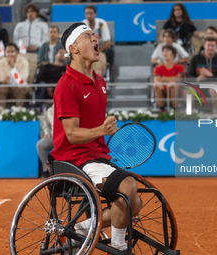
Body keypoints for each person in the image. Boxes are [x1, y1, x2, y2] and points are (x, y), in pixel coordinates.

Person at [51, 22, 142, 251]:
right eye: (88, 36)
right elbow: (71, 135)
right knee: (128, 187)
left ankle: (80, 229)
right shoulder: (67, 85)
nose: (95, 39)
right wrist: (102, 130)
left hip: (97, 156)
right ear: (74, 48)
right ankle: (120, 247)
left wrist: (102, 130)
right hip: (75, 159)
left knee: (135, 202)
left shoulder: (99, 82)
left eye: (95, 35)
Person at [0, 42, 29, 113]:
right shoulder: (0, 63)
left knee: (20, 87)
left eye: (12, 52)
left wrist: (13, 67)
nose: (10, 54)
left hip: (20, 86)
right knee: (3, 87)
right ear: (5, 53)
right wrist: (4, 80)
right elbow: (2, 79)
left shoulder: (24, 62)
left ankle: (19, 109)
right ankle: (1, 109)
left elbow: (23, 79)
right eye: (8, 52)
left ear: (17, 52)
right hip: (7, 86)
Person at [82, 5, 114, 75]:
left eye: (90, 13)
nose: (88, 16)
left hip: (101, 49)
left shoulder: (101, 24)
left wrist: (97, 51)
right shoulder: (82, 25)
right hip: (88, 49)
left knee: (110, 51)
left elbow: (107, 42)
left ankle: (109, 74)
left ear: (95, 14)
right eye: (87, 13)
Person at [153, 45, 185, 112]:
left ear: (173, 54)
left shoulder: (179, 67)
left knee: (172, 85)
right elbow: (156, 80)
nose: (165, 53)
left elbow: (178, 79)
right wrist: (171, 79)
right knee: (156, 86)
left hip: (177, 89)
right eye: (164, 51)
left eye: (167, 51)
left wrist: (164, 78)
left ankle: (175, 110)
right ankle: (162, 109)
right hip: (163, 88)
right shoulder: (158, 68)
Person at [37, 104, 54, 177]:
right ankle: (46, 168)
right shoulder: (50, 110)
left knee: (56, 149)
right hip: (52, 136)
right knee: (40, 145)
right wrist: (46, 133)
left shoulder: (67, 108)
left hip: (64, 137)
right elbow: (45, 124)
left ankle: (55, 170)